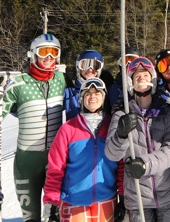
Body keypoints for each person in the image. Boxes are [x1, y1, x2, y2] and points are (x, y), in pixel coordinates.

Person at [0, 33, 65, 222]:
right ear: (33, 55)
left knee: (56, 216)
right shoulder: (19, 84)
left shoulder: (61, 80)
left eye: (54, 52)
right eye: (44, 52)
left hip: (56, 160)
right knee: (31, 217)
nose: (49, 58)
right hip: (27, 161)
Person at [105, 56, 170, 222]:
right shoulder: (122, 114)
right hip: (138, 197)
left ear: (153, 80)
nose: (141, 78)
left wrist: (145, 164)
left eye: (146, 75)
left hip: (168, 191)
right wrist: (120, 135)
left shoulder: (165, 112)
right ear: (130, 82)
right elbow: (112, 154)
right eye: (137, 76)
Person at [43, 78, 119, 222]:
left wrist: (124, 195)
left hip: (106, 198)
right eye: (88, 94)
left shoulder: (112, 126)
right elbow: (55, 167)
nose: (93, 97)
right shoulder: (68, 129)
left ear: (104, 98)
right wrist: (51, 199)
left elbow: (121, 165)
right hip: (74, 200)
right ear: (81, 98)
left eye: (97, 93)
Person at [65, 50, 106, 120]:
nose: (90, 69)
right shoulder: (68, 93)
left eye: (95, 65)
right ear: (78, 67)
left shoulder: (104, 92)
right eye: (85, 65)